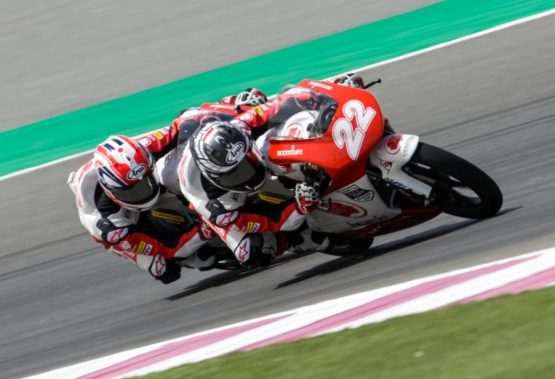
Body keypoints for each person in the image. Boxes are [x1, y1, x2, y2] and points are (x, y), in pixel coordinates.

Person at [67, 88, 268, 283]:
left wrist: (236, 107)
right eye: (134, 191)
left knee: (176, 171)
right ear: (111, 190)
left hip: (149, 179)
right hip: (124, 230)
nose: (145, 193)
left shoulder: (144, 150)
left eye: (146, 182)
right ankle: (190, 251)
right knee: (161, 268)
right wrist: (201, 232)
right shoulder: (103, 217)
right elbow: (162, 247)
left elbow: (187, 120)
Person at [174, 73, 367, 269]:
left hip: (217, 127)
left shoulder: (239, 127)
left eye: (247, 161)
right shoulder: (215, 206)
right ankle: (301, 240)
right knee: (250, 253)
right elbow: (265, 221)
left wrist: (335, 87)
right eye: (236, 174)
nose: (249, 174)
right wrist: (299, 207)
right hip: (216, 202)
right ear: (216, 177)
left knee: (263, 111)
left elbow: (281, 103)